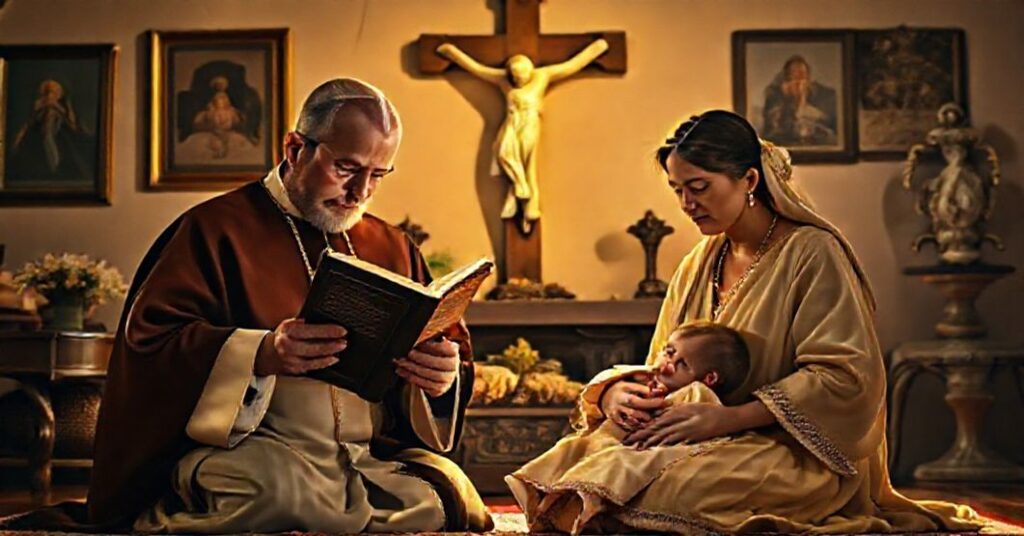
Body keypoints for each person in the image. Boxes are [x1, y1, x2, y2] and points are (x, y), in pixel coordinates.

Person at [84, 78, 492, 533]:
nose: (359, 192)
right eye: (346, 168)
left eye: (377, 176)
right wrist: (261, 353)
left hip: (363, 454)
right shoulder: (214, 230)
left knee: (452, 500)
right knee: (280, 496)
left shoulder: (392, 245)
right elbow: (152, 344)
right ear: (295, 147)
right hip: (256, 448)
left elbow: (441, 345)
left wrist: (440, 378)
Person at [546, 110, 981, 533]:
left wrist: (728, 419)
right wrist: (617, 395)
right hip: (695, 437)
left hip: (786, 449)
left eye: (698, 187)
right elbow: (661, 363)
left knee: (674, 491)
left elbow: (846, 379)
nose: (686, 204)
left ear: (750, 180)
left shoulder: (813, 252)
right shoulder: (698, 262)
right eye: (677, 189)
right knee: (576, 463)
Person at [507, 321, 751, 535]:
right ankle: (544, 496)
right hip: (619, 441)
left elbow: (678, 420)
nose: (666, 365)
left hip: (653, 451)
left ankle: (585, 509)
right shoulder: (651, 380)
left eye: (682, 364)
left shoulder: (699, 394)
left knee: (617, 463)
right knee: (573, 447)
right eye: (668, 352)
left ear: (709, 379)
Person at [435, 39, 609, 234]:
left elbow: (571, 65)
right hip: (511, 122)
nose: (517, 81)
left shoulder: (543, 76)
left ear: (530, 72)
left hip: (529, 123)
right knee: (503, 153)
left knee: (529, 165)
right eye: (515, 77)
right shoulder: (504, 80)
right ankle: (521, 188)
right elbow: (477, 69)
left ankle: (527, 206)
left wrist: (597, 49)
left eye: (521, 76)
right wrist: (452, 53)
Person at [8, 79, 93, 183]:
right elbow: (30, 122)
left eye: (53, 92)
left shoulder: (63, 107)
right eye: (47, 92)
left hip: (60, 138)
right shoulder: (39, 104)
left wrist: (56, 107)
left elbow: (73, 124)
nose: (50, 95)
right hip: (39, 139)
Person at [762, 55, 837, 146]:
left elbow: (831, 129)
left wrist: (802, 101)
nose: (798, 84)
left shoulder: (826, 95)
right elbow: (770, 129)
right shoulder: (774, 95)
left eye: (802, 77)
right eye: (793, 78)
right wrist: (788, 101)